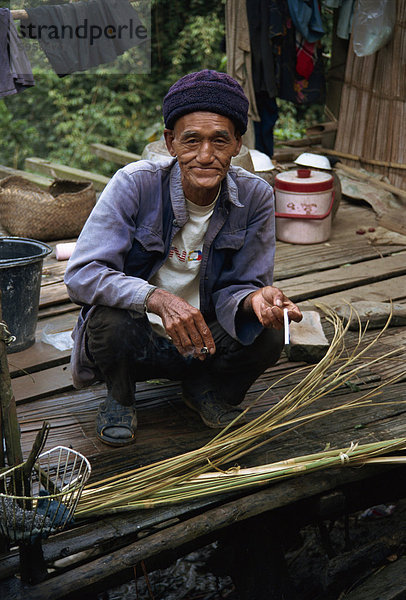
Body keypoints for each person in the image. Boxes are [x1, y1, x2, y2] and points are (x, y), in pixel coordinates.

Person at [64, 69, 302, 447]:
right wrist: (157, 298)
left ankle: (204, 389)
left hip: (206, 338)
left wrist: (258, 299)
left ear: (238, 144)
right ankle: (121, 396)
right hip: (139, 338)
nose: (205, 156)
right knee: (107, 318)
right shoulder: (134, 183)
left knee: (268, 333)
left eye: (220, 141)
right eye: (191, 140)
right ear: (170, 142)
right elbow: (81, 274)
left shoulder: (256, 196)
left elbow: (245, 284)